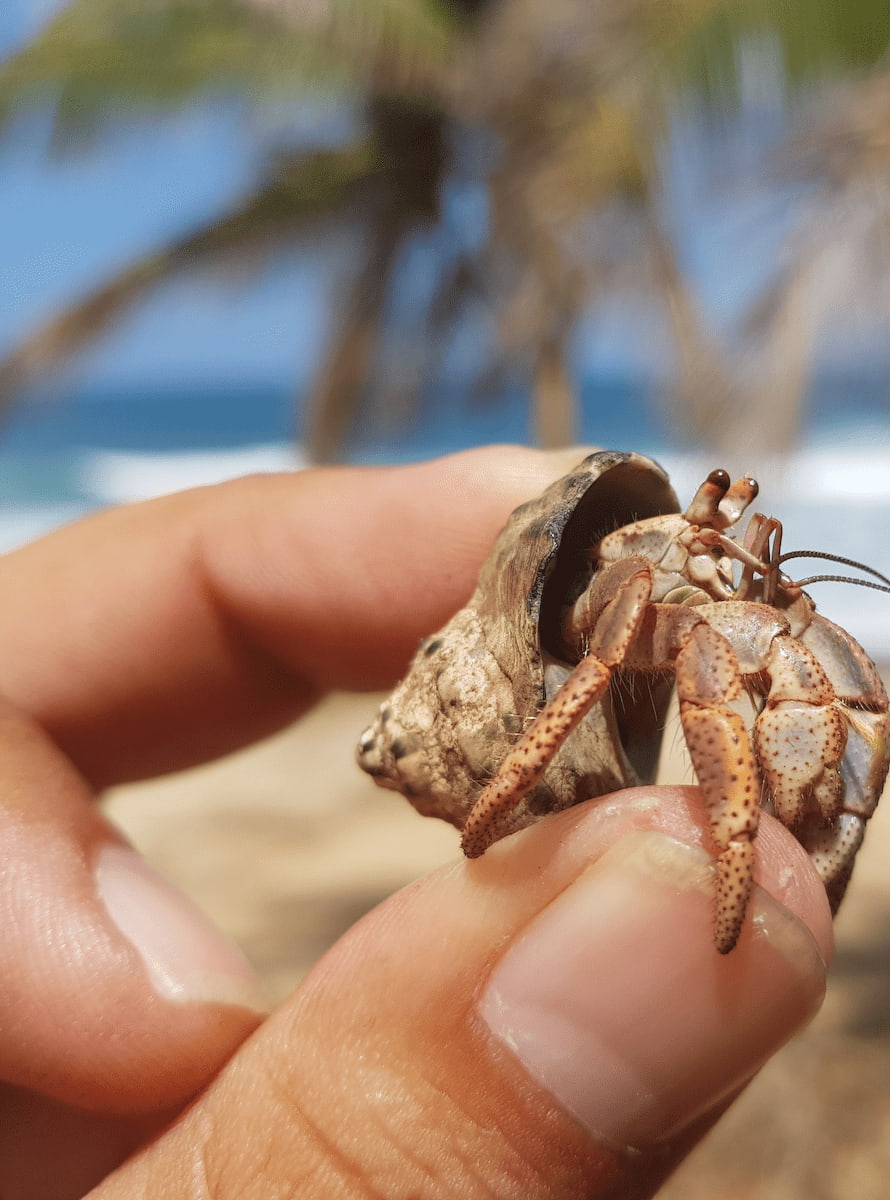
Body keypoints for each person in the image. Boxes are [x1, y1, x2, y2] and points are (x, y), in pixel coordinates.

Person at [0, 445, 832, 1200]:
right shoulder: (640, 581)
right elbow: (600, 662)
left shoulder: (703, 597)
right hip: (554, 682)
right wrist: (500, 803)